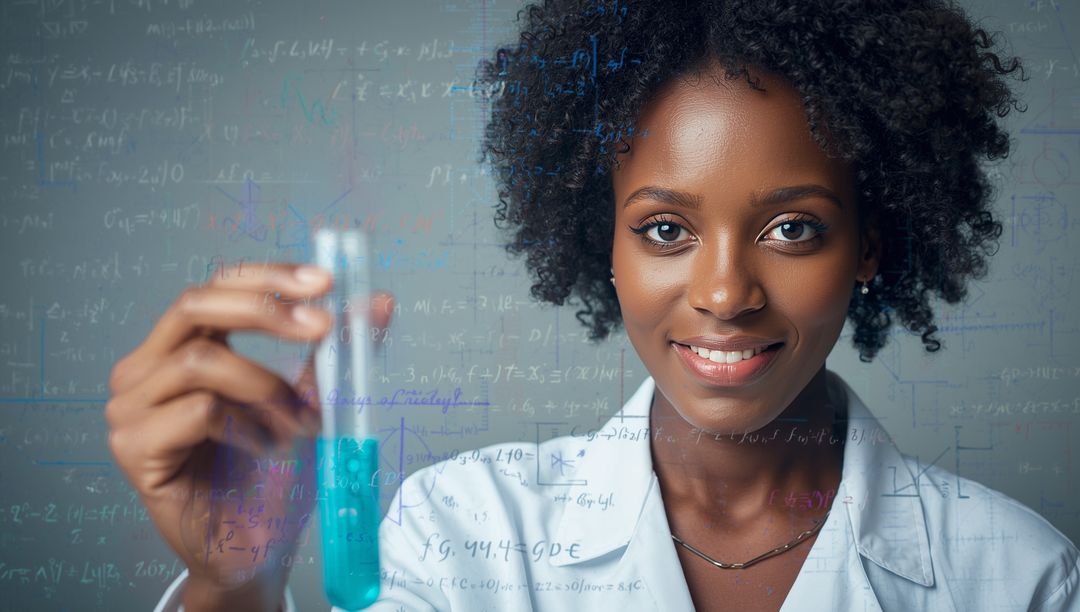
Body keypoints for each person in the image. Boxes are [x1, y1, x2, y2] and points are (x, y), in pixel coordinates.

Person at [108, 0, 1080, 610]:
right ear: (597, 236)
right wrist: (233, 581)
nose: (724, 294)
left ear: (871, 244)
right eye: (665, 229)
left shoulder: (1014, 576)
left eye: (793, 229)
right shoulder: (459, 532)